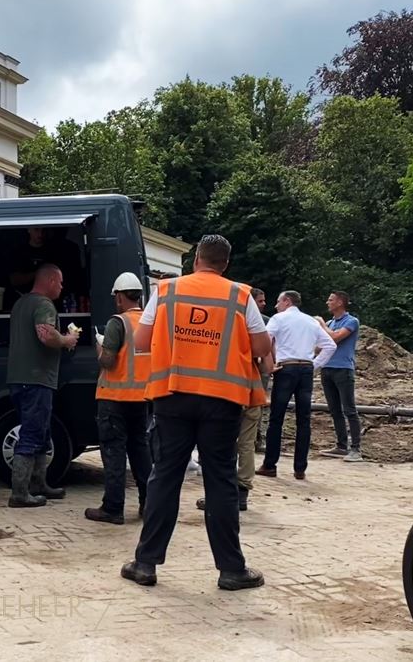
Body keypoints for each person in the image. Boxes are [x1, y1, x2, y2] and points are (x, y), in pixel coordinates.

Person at [120, 234, 271, 591]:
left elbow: (141, 343)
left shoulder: (168, 290)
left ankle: (145, 564)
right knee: (220, 481)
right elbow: (262, 346)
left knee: (165, 476)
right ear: (226, 264)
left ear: (196, 260)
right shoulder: (240, 295)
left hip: (173, 396)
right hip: (222, 400)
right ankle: (231, 570)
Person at [6, 263, 79, 508]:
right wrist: (68, 340)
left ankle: (39, 485)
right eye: (59, 282)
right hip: (35, 379)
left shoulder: (20, 303)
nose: (61, 286)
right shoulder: (43, 305)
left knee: (41, 432)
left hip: (18, 378)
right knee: (32, 434)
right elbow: (46, 334)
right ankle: (20, 493)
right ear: (48, 281)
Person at [85, 272, 152, 525]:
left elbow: (108, 361)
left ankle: (113, 508)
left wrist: (99, 346)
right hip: (142, 399)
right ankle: (149, 504)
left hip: (114, 398)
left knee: (114, 454)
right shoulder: (148, 322)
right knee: (140, 452)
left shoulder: (117, 323)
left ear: (120, 297)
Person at [197, 285, 271, 514]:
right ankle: (241, 494)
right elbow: (268, 365)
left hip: (228, 393)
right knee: (247, 444)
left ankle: (220, 495)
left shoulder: (224, 327)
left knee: (221, 444)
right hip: (252, 392)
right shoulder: (259, 329)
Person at [256, 291, 336, 481]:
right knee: (304, 419)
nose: (275, 305)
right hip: (305, 369)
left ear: (286, 301)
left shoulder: (279, 318)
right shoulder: (311, 321)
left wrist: (268, 363)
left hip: (286, 368)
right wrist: (313, 365)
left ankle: (270, 464)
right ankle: (300, 468)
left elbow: (266, 340)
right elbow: (330, 345)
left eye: (278, 301)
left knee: (276, 418)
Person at [317, 291, 363, 462]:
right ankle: (341, 445)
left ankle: (356, 449)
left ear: (340, 302)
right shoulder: (330, 323)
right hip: (327, 368)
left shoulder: (351, 322)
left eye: (331, 300)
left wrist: (321, 324)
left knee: (349, 409)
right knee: (334, 409)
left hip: (343, 369)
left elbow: (335, 338)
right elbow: (320, 345)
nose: (327, 302)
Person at [250, 288, 271, 454]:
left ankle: (258, 438)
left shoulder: (266, 321)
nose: (264, 304)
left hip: (260, 369)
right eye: (260, 301)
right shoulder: (243, 318)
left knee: (258, 404)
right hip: (247, 368)